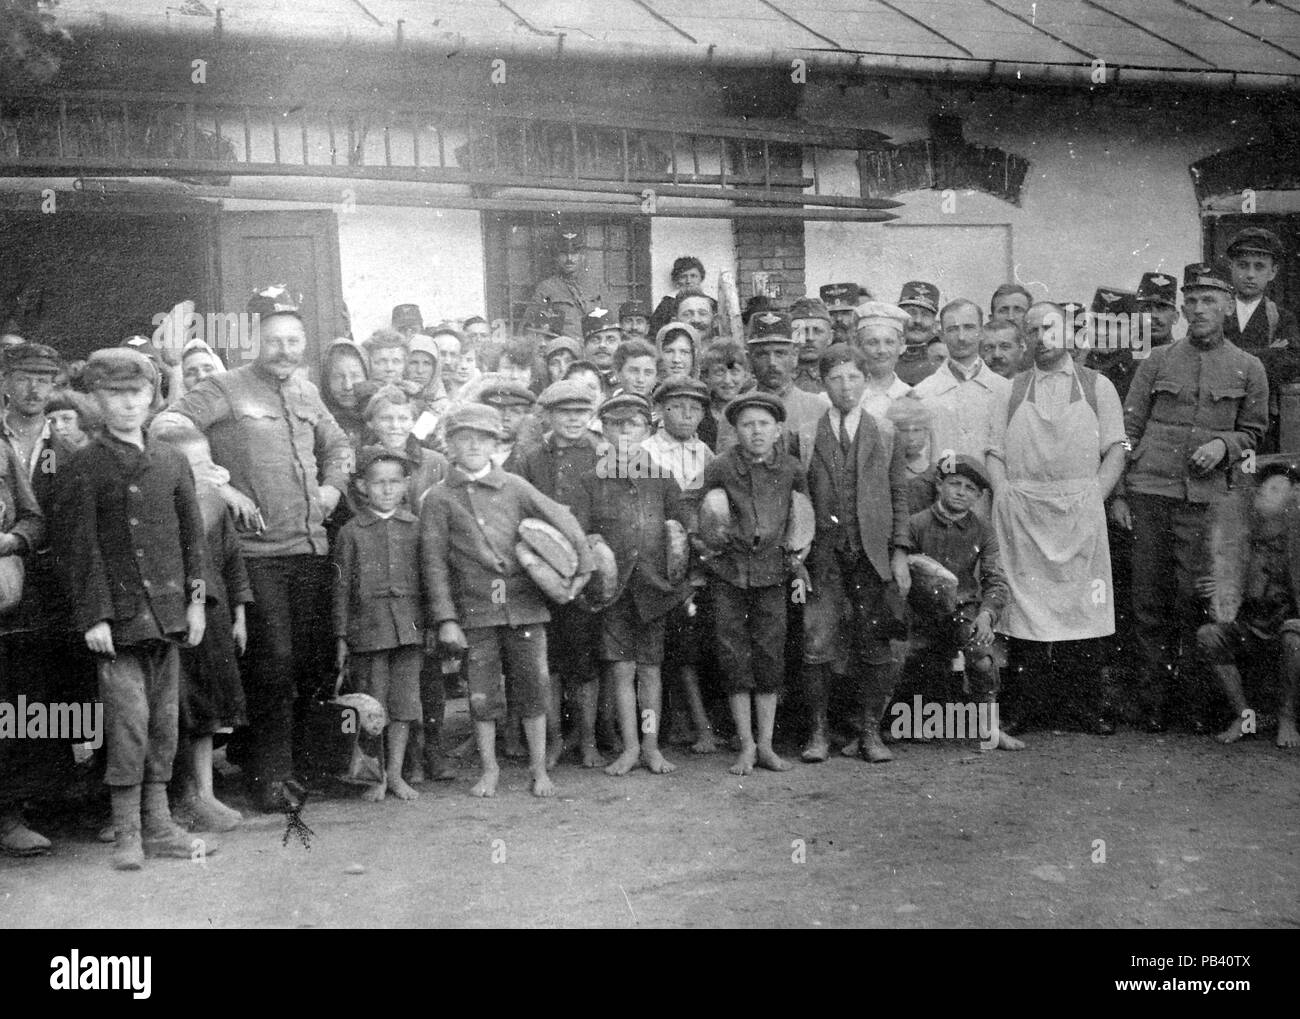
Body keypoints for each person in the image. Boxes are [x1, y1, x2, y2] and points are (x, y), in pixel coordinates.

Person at [165, 285, 351, 812]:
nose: (285, 350)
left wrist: (333, 487)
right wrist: (218, 485)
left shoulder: (308, 393)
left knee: (309, 661)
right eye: (274, 340)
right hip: (257, 551)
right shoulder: (224, 387)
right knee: (273, 661)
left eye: (294, 340)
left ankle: (290, 764)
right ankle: (269, 777)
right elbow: (168, 426)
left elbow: (338, 444)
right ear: (253, 341)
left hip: (310, 545)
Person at [52, 348, 209, 870]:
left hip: (167, 616)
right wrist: (95, 615)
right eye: (115, 395)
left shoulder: (171, 459)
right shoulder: (84, 465)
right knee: (128, 722)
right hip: (117, 621)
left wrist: (196, 604)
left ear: (152, 396)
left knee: (165, 721)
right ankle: (127, 833)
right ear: (97, 399)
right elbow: (81, 548)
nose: (127, 404)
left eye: (136, 393)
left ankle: (161, 825)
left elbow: (193, 540)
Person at [1113, 262, 1269, 733]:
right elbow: (1126, 433)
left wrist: (1225, 445)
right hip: (1150, 495)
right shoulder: (1156, 362)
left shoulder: (1249, 367)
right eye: (1193, 301)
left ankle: (1193, 706)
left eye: (1210, 301)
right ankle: (1152, 704)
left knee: (1192, 602)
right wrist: (1119, 493)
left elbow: (1256, 433)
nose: (1200, 309)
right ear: (1183, 308)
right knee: (1146, 603)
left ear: (1226, 307)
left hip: (1206, 504)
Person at [421, 403, 592, 798]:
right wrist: (446, 618)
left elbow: (560, 516)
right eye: (464, 438)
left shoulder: (514, 485)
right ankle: (490, 769)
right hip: (476, 610)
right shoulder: (439, 498)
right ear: (450, 445)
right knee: (482, 694)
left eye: (482, 439)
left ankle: (538, 769)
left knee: (533, 689)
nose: (474, 446)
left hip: (525, 606)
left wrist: (583, 566)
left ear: (496, 444)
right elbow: (433, 564)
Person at [988, 300, 1127, 736]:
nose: (1042, 338)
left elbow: (1116, 449)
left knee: (1081, 609)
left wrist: (1095, 496)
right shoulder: (1010, 391)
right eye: (1032, 330)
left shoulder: (1097, 386)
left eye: (1050, 328)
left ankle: (1083, 707)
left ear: (1068, 332)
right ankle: (1025, 708)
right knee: (1026, 611)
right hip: (1024, 514)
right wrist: (1004, 493)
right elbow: (993, 452)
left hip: (1079, 512)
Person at [800, 344, 912, 763]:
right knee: (818, 641)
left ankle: (870, 732)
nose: (845, 386)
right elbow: (800, 499)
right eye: (835, 378)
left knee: (876, 643)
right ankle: (818, 733)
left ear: (866, 381)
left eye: (853, 377)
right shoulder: (807, 436)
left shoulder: (885, 432)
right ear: (822, 382)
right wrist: (800, 557)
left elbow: (898, 495)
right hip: (823, 557)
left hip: (872, 554)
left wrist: (899, 553)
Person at [149, 418, 250, 833]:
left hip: (216, 615)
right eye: (191, 465)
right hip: (182, 619)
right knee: (183, 711)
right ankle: (182, 797)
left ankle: (206, 794)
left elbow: (232, 561)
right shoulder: (162, 511)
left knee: (210, 709)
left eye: (206, 462)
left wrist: (240, 613)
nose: (202, 473)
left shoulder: (213, 504)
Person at [582, 393, 690, 777]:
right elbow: (583, 533)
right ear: (604, 429)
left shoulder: (661, 478)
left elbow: (681, 529)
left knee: (650, 672)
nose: (625, 430)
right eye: (615, 423)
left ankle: (651, 746)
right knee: (622, 672)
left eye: (634, 424)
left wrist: (680, 583)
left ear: (648, 429)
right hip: (614, 595)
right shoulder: (592, 480)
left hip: (653, 591)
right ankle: (629, 748)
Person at [700, 391, 805, 775]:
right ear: (736, 431)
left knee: (770, 656)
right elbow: (689, 502)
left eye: (764, 424)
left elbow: (803, 515)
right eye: (747, 425)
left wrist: (797, 558)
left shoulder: (792, 469)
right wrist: (711, 532)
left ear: (778, 430)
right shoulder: (721, 466)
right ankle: (745, 744)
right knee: (733, 655)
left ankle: (766, 745)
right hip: (728, 573)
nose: (756, 431)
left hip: (773, 575)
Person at [516, 380, 605, 768]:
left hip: (587, 572)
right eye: (564, 412)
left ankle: (587, 741)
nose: (573, 419)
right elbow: (517, 511)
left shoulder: (605, 454)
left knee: (584, 662)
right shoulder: (531, 458)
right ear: (548, 416)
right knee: (547, 664)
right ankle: (553, 741)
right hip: (544, 573)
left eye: (581, 412)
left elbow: (614, 509)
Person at [903, 456, 1018, 749]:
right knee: (890, 654)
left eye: (970, 488)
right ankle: (871, 731)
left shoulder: (983, 530)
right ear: (940, 485)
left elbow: (996, 580)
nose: (961, 492)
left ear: (978, 496)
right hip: (916, 609)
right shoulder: (915, 524)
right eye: (955, 483)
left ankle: (989, 730)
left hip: (960, 609)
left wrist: (986, 615)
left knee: (981, 656)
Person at [333, 445, 424, 803]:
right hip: (368, 631)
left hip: (410, 628)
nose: (387, 489)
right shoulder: (351, 532)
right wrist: (341, 634)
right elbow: (340, 588)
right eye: (378, 483)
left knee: (404, 706)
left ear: (405, 485)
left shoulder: (416, 526)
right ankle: (376, 776)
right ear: (361, 487)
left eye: (394, 482)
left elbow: (431, 578)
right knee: (374, 708)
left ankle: (397, 774)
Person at [1196, 461, 1300, 748]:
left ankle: (1287, 718)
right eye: (1264, 488)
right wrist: (1211, 587)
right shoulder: (1239, 531)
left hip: (1286, 624)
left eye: (1277, 488)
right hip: (1249, 623)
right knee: (1209, 636)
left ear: (1295, 494)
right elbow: (1215, 581)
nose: (1266, 493)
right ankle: (1246, 717)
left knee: (1295, 637)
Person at [644, 378, 718, 756]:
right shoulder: (645, 452)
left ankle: (695, 723)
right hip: (659, 560)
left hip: (697, 561)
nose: (687, 414)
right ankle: (680, 724)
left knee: (690, 645)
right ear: (659, 410)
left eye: (695, 408)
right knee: (665, 647)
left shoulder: (705, 452)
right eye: (677, 406)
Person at [911, 298, 1011, 472]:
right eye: (953, 329)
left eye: (969, 327)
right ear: (941, 335)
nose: (962, 337)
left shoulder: (1005, 390)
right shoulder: (923, 393)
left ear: (981, 331)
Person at [747, 311, 830, 471]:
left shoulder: (819, 409)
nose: (772, 362)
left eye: (780, 353)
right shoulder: (735, 410)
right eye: (762, 354)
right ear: (750, 360)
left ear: (794, 356)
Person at [853, 302, 913, 420]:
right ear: (858, 346)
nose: (882, 350)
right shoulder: (847, 394)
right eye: (872, 342)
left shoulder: (910, 396)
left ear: (901, 345)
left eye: (889, 342)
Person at [528, 230, 593, 340]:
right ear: (556, 257)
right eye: (564, 253)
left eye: (574, 253)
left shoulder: (597, 287)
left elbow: (613, 325)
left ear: (582, 256)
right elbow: (533, 329)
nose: (569, 259)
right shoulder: (546, 288)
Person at [699, 340, 749, 454]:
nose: (727, 380)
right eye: (719, 372)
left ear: (745, 375)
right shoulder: (699, 415)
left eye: (735, 372)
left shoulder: (751, 412)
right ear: (707, 376)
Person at [321, 338, 370, 451]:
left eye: (355, 376)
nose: (347, 386)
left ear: (367, 376)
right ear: (326, 380)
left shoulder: (380, 416)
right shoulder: (316, 422)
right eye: (338, 377)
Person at [896, 281, 942, 386]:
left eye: (925, 315)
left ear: (934, 323)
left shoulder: (940, 366)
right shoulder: (882, 357)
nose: (918, 321)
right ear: (898, 317)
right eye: (911, 312)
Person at [649, 255, 706, 336]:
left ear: (701, 278)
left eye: (693, 276)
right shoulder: (667, 304)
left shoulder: (710, 302)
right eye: (683, 276)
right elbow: (655, 333)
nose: (688, 281)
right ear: (676, 279)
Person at [790, 297, 833, 394]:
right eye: (802, 331)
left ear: (830, 337)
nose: (809, 337)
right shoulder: (781, 379)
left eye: (817, 331)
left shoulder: (836, 377)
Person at [581, 308, 622, 394]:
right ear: (584, 346)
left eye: (610, 339)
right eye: (595, 340)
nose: (602, 345)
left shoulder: (629, 383)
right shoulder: (576, 384)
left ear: (620, 344)